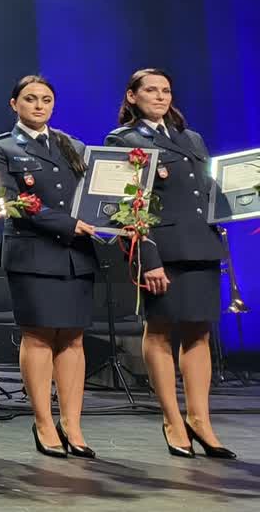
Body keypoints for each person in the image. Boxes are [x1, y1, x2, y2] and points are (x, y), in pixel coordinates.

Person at [106, 68, 236, 459]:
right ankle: (172, 420)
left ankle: (200, 419)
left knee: (199, 335)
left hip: (200, 246)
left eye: (165, 90)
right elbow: (126, 209)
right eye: (150, 90)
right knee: (160, 332)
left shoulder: (190, 137)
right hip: (162, 251)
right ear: (132, 97)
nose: (160, 96)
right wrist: (148, 259)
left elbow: (208, 193)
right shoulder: (124, 139)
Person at [0, 75, 99, 459]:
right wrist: (67, 224)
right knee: (38, 337)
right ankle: (43, 422)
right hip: (33, 253)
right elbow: (10, 201)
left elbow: (94, 194)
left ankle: (73, 423)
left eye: (47, 99)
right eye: (31, 99)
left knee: (73, 338)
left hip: (77, 253)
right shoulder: (0, 148)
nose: (39, 106)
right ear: (13, 104)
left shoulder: (72, 145)